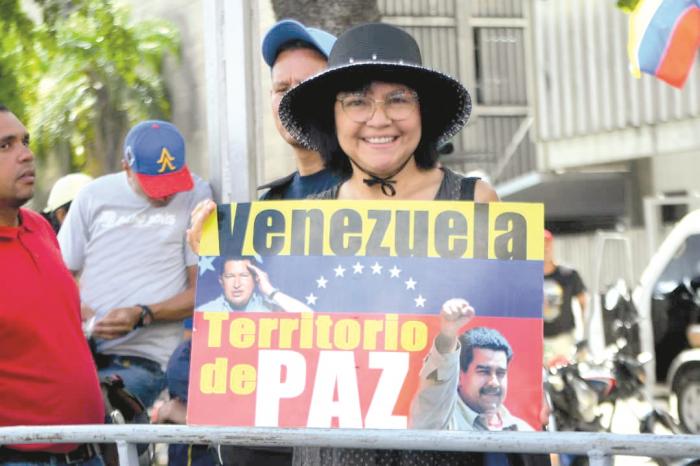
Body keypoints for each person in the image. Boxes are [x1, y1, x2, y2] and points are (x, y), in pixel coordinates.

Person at [275, 22, 548, 466]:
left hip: (442, 453)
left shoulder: (475, 202)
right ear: (333, 117)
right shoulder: (303, 221)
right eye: (357, 101)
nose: (378, 118)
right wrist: (209, 238)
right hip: (331, 453)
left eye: (398, 98)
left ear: (425, 113)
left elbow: (509, 331)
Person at [58, 120, 212, 409]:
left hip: (149, 359)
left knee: (103, 410)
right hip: (85, 349)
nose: (167, 194)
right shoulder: (93, 197)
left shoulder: (195, 195)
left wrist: (144, 314)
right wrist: (79, 309)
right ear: (127, 167)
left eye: (173, 181)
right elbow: (58, 276)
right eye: (156, 184)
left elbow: (204, 291)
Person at [0, 104, 105, 464]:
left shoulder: (41, 228)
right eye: (5, 146)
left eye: (25, 141)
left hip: (87, 450)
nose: (26, 154)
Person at [410, 299, 533, 432]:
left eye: (500, 373)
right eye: (484, 371)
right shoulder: (440, 421)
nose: (494, 382)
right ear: (459, 376)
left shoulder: (524, 430)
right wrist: (448, 335)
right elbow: (437, 385)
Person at [258, 18, 342, 199]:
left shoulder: (372, 192)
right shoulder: (268, 205)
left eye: (305, 86)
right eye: (282, 89)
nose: (290, 99)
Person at [198, 255, 312, 312]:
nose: (237, 284)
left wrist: (270, 291)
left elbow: (312, 320)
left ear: (256, 279)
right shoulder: (205, 311)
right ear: (221, 281)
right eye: (230, 276)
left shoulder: (270, 309)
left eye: (244, 276)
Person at [543, 229, 587, 365]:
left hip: (565, 338)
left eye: (546, 245)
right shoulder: (528, 277)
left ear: (552, 246)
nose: (544, 249)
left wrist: (584, 333)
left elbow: (583, 302)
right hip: (540, 340)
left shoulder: (568, 274)